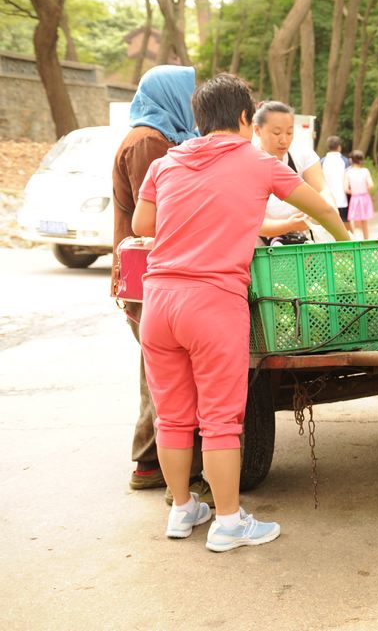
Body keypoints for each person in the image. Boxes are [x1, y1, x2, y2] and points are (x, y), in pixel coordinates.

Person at [131, 73, 347, 551]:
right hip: (213, 303)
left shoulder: (166, 163)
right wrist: (348, 241)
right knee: (220, 421)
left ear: (198, 120)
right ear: (246, 117)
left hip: (159, 302)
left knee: (172, 417)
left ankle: (183, 509)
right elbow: (323, 209)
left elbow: (141, 223)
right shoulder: (258, 162)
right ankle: (228, 523)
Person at [112, 64, 209, 502]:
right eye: (188, 93)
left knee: (159, 370)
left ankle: (152, 462)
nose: (193, 101)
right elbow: (158, 214)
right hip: (149, 275)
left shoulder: (162, 136)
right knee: (168, 372)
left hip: (154, 275)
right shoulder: (149, 141)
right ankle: (163, 469)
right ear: (170, 94)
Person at [253, 100, 337, 242]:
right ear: (257, 130)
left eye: (289, 132)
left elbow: (322, 190)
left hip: (302, 239)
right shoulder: (248, 162)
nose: (284, 140)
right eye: (277, 132)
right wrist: (288, 225)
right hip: (259, 243)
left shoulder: (302, 154)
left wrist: (327, 209)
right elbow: (250, 222)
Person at [322, 135, 353, 235]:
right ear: (339, 147)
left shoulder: (321, 162)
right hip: (342, 200)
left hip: (327, 201)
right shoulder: (346, 161)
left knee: (328, 229)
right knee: (346, 228)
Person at [343, 150, 375, 240]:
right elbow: (371, 185)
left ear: (351, 160)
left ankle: (357, 241)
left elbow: (346, 189)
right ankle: (366, 241)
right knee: (365, 223)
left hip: (355, 198)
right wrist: (364, 189)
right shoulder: (365, 171)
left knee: (355, 223)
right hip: (365, 197)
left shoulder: (348, 172)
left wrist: (354, 191)